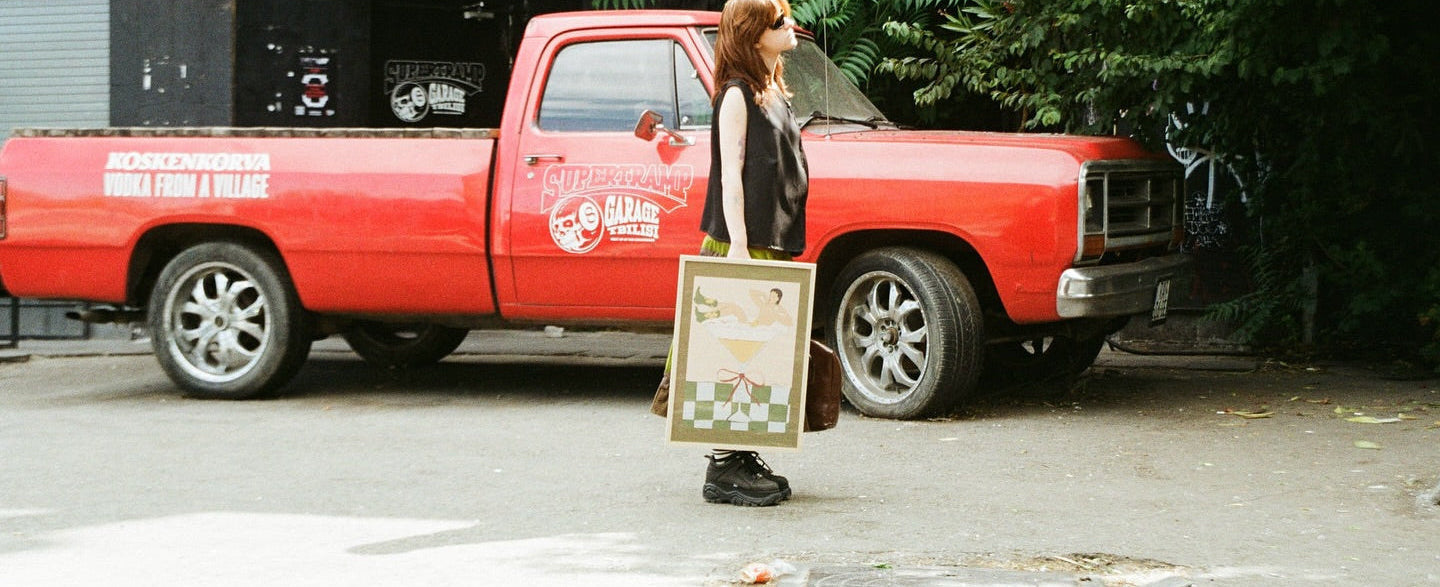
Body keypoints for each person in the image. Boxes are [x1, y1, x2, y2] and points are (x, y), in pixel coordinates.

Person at [650, 0, 809, 508]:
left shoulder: (771, 89)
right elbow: (730, 175)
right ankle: (722, 467)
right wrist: (738, 247)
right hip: (742, 242)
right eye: (779, 21)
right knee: (726, 352)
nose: (790, 25)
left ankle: (738, 456)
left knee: (757, 355)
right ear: (754, 35)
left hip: (769, 241)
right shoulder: (737, 95)